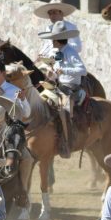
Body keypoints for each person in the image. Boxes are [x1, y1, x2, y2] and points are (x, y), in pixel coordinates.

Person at [38, 20, 86, 158]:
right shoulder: (58, 51)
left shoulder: (71, 52)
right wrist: (51, 73)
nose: (51, 42)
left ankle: (67, 141)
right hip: (59, 85)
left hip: (71, 86)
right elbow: (56, 70)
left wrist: (63, 70)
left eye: (53, 39)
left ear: (58, 40)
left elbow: (83, 70)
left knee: (63, 108)